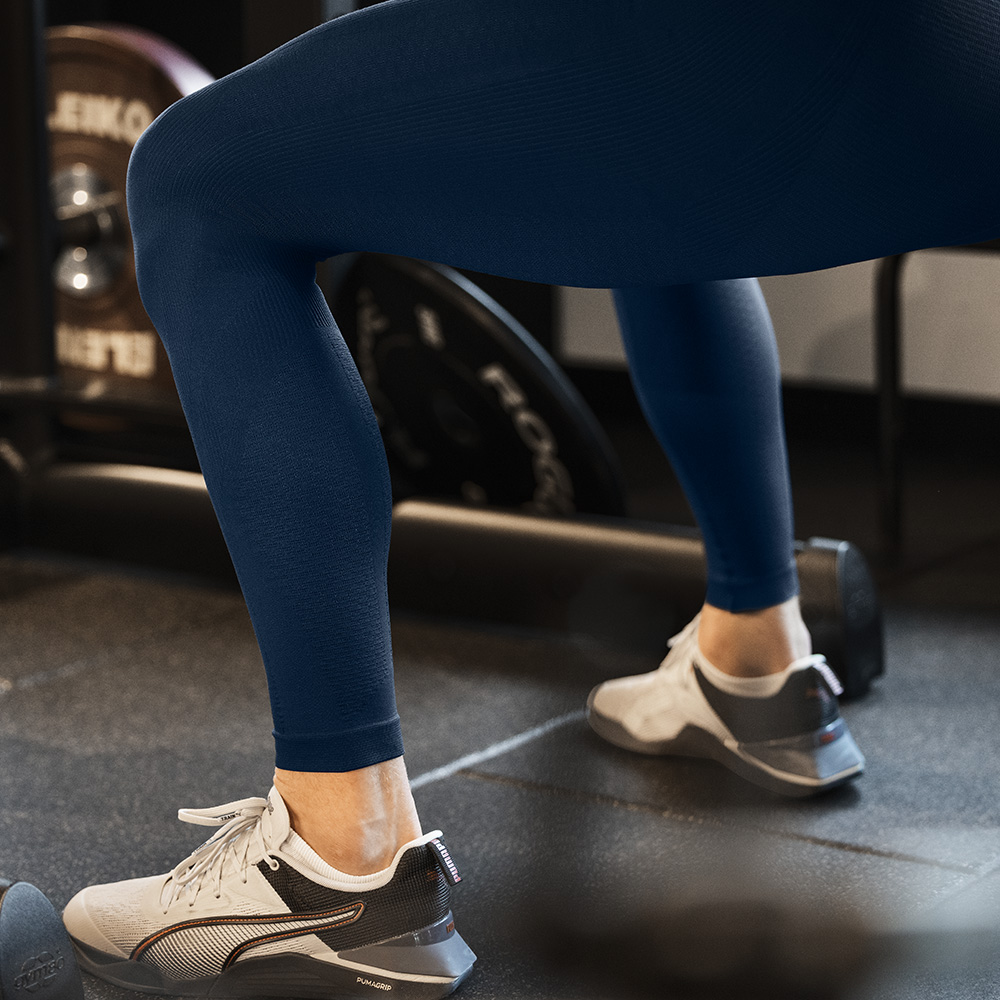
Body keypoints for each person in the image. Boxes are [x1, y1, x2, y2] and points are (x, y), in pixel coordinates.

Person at [60, 0, 1000, 995]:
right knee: (650, 183)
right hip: (955, 87)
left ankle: (337, 861)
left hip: (743, 78)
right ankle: (753, 656)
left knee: (193, 176)